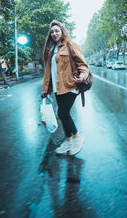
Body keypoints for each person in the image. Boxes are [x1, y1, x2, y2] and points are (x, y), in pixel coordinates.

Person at [42, 20, 90, 156]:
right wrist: (45, 90)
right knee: (64, 114)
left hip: (71, 85)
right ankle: (68, 140)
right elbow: (48, 72)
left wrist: (82, 76)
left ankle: (78, 137)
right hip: (58, 88)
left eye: (57, 31)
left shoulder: (71, 45)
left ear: (62, 31)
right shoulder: (51, 49)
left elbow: (83, 65)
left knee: (62, 114)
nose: (54, 33)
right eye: (52, 32)